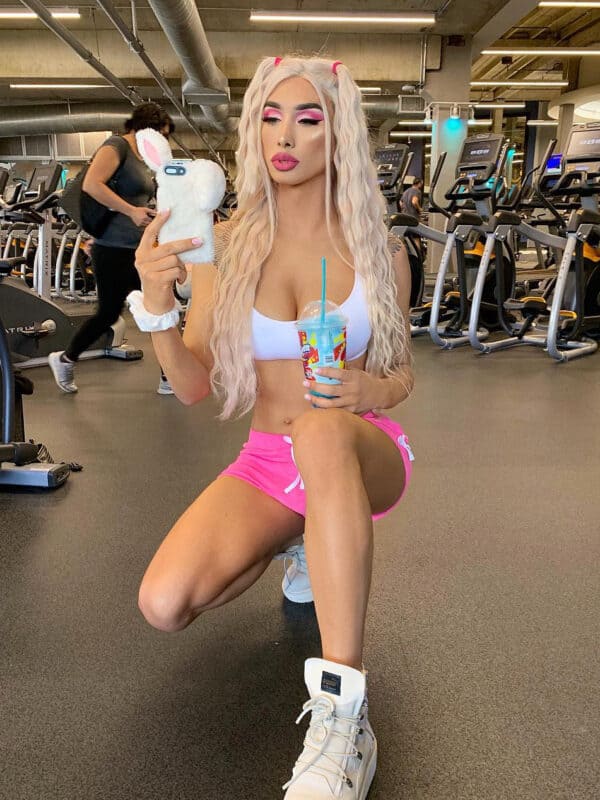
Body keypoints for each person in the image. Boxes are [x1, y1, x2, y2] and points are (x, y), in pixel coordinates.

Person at [131, 56, 415, 799]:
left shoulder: (377, 247)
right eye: (270, 117)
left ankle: (344, 717)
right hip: (267, 458)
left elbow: (401, 375)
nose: (284, 136)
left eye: (308, 119)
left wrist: (367, 388)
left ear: (338, 136)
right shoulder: (224, 246)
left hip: (359, 447)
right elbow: (193, 386)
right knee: (164, 604)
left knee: (320, 432)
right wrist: (156, 305)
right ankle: (301, 537)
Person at [48, 102, 175, 394]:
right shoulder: (117, 146)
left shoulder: (142, 157)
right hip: (113, 249)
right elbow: (92, 185)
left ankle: (169, 376)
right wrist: (131, 211)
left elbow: (135, 200)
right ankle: (65, 359)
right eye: (161, 133)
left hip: (137, 248)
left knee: (160, 307)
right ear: (146, 128)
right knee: (108, 313)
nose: (163, 140)